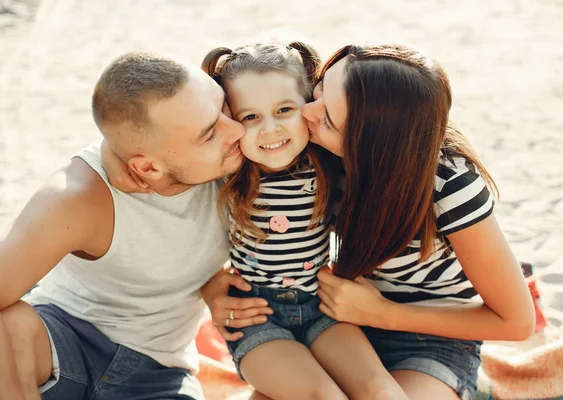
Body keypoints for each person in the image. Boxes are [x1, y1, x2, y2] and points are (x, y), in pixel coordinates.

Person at [206, 43, 536, 400]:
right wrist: (213, 291)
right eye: (318, 91)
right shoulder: (313, 150)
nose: (308, 113)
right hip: (342, 323)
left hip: (429, 338)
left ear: (369, 145)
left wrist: (383, 314)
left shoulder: (447, 185)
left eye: (328, 117)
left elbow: (516, 322)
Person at [105, 41, 407, 400]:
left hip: (322, 306)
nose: (269, 129)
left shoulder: (328, 159)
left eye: (284, 109)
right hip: (256, 317)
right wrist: (112, 157)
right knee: (324, 396)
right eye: (250, 117)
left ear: (308, 106)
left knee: (381, 390)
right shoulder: (226, 170)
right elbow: (137, 142)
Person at [0, 51, 263, 400]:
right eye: (210, 132)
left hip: (160, 374)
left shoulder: (238, 159)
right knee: (9, 325)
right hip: (63, 342)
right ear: (148, 168)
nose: (238, 129)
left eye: (223, 107)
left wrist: (213, 282)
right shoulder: (75, 196)